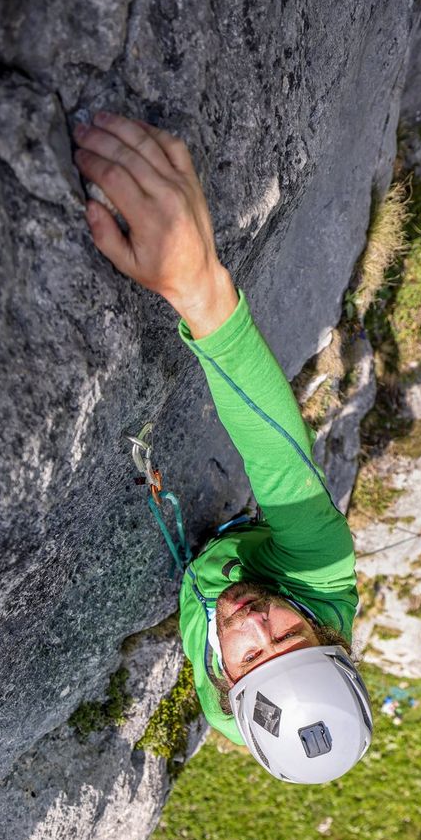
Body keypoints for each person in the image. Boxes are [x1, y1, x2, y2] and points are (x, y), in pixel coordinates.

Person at [73, 112, 372, 784]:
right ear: (326, 632)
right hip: (245, 539)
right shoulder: (322, 566)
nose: (253, 623)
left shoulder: (235, 714)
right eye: (290, 635)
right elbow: (278, 454)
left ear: (232, 687)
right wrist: (201, 291)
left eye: (247, 658)